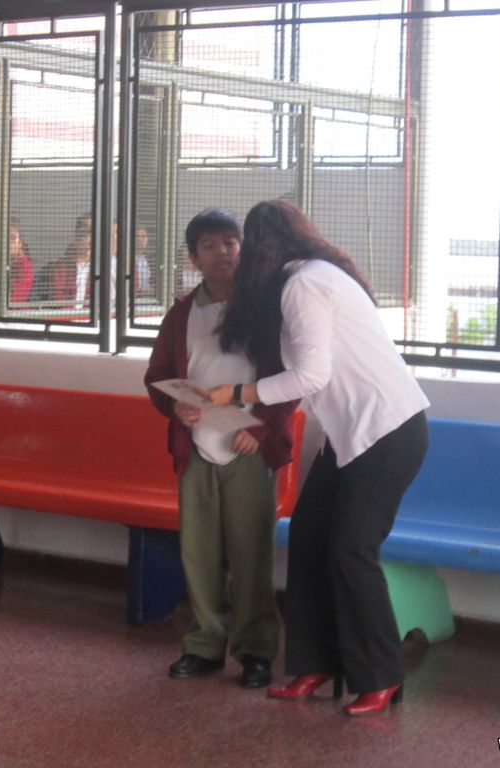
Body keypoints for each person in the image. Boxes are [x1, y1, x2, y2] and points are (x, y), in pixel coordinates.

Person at [206, 199, 430, 717]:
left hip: (387, 431)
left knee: (351, 549)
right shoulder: (308, 278)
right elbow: (309, 378)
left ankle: (382, 675)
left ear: (262, 247)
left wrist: (236, 395)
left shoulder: (306, 283)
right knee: (308, 537)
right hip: (351, 435)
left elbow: (310, 376)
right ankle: (316, 664)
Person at [144, 209, 298, 690]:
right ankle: (204, 645)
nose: (222, 254)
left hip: (248, 446)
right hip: (195, 448)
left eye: (230, 243)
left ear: (243, 249)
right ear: (193, 258)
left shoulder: (265, 307)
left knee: (251, 553)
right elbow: (157, 377)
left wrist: (263, 427)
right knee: (199, 553)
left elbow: (292, 377)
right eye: (209, 246)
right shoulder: (181, 314)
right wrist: (175, 408)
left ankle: (256, 651)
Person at [8, 218, 34, 305]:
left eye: (12, 238)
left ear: (20, 242)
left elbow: (16, 297)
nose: (8, 242)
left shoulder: (25, 265)